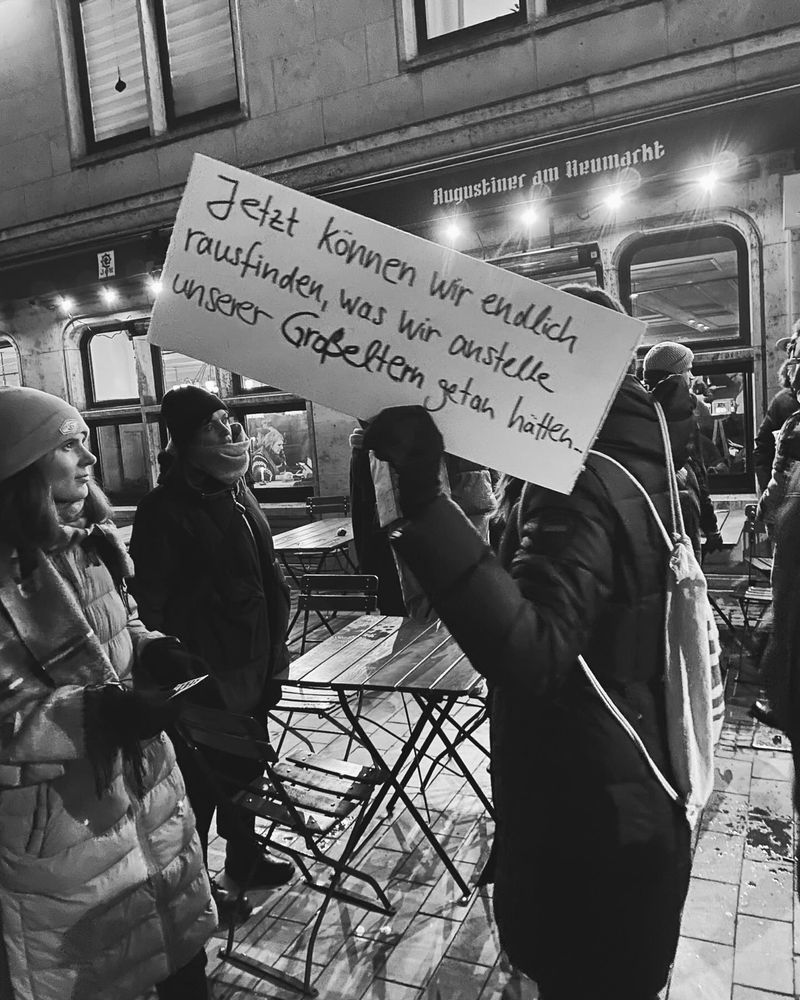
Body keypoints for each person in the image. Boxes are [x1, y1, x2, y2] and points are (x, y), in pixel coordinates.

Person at [363, 286, 694, 1000]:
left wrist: (423, 500)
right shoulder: (634, 456)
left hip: (587, 820)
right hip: (625, 788)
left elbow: (537, 654)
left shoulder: (572, 481)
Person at [0, 386, 215, 1000]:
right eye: (68, 445)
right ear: (18, 467)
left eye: (84, 442)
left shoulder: (87, 544)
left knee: (180, 956)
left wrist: (151, 647)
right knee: (100, 974)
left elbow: (113, 629)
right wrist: (97, 715)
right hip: (64, 828)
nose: (89, 459)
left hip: (147, 798)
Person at [129, 385, 294, 910]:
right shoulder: (164, 508)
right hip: (207, 673)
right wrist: (178, 667)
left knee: (248, 770)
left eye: (227, 421)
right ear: (185, 440)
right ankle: (195, 892)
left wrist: (276, 653)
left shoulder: (237, 490)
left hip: (255, 660)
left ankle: (244, 856)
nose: (227, 434)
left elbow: (263, 575)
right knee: (200, 787)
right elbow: (149, 601)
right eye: (211, 428)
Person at [642, 341, 723, 559]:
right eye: (688, 369)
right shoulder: (682, 416)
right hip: (684, 514)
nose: (691, 375)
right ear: (676, 374)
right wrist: (711, 526)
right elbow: (699, 472)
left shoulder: (640, 409)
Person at [754, 318, 800, 493]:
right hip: (789, 495)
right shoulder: (783, 401)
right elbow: (763, 447)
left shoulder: (783, 400)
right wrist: (768, 489)